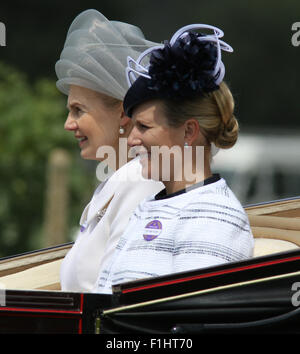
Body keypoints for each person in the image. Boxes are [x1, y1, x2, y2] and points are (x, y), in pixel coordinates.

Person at [94, 24, 254, 294]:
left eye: (143, 127)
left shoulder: (213, 217)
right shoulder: (146, 207)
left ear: (189, 131)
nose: (131, 139)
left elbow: (189, 324)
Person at [55, 9, 164, 292]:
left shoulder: (140, 180)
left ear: (122, 114)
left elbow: (118, 299)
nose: (69, 124)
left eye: (78, 110)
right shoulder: (120, 179)